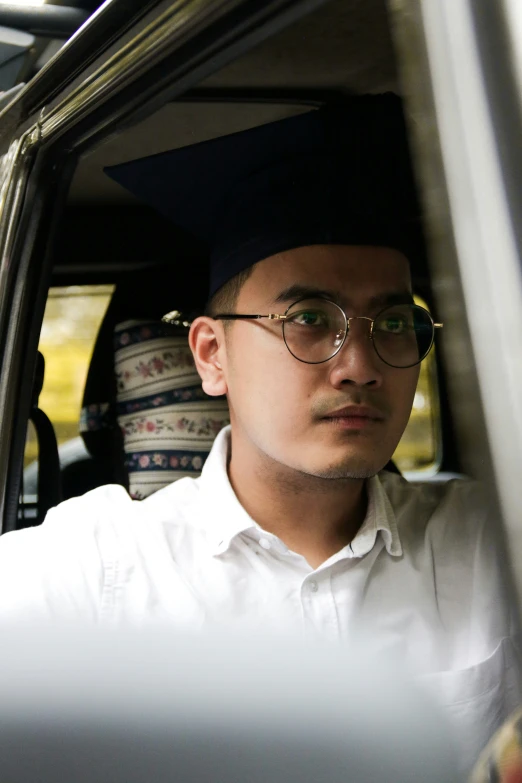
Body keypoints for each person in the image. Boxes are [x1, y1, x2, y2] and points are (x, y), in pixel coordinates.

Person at [0, 95, 519, 774]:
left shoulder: (491, 545)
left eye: (393, 324)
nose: (360, 367)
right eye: (309, 318)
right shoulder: (102, 568)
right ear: (212, 354)